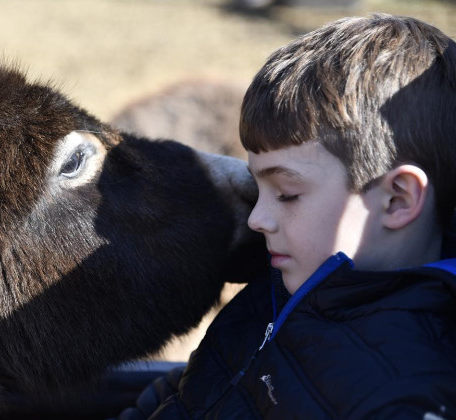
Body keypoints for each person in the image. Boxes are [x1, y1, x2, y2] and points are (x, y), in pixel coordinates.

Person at [115, 14, 456, 420]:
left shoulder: (407, 397)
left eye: (287, 194)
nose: (257, 219)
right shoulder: (274, 289)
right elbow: (185, 390)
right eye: (259, 190)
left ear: (396, 200)